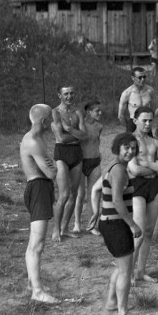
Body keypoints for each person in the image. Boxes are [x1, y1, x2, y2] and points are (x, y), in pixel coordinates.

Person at [98, 133, 142, 315]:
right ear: (118, 147)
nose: (130, 151)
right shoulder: (118, 170)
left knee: (121, 265)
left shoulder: (113, 166)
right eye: (126, 147)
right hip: (116, 225)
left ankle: (111, 302)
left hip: (109, 222)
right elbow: (116, 200)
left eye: (133, 148)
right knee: (126, 270)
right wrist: (132, 224)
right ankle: (123, 314)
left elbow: (101, 191)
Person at [19, 104, 59, 304]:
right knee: (37, 243)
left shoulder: (35, 139)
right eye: (50, 119)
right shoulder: (34, 142)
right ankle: (37, 291)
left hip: (40, 188)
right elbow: (51, 172)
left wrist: (51, 164)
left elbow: (48, 166)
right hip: (38, 189)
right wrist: (55, 164)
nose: (51, 123)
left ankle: (31, 283)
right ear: (43, 121)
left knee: (34, 243)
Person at [127, 106, 158, 284]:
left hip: (154, 186)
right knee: (138, 231)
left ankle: (140, 271)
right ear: (135, 120)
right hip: (136, 187)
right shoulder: (130, 141)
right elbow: (134, 169)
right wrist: (153, 165)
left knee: (149, 232)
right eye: (144, 120)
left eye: (150, 120)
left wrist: (148, 163)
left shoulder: (155, 143)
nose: (147, 123)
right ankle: (127, 273)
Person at [50, 85, 87, 243]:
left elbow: (84, 135)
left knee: (73, 194)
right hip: (62, 153)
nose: (69, 96)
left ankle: (65, 228)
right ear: (59, 95)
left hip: (76, 153)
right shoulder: (55, 112)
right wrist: (76, 134)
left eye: (72, 93)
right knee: (64, 194)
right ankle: (56, 229)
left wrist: (69, 129)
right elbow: (62, 138)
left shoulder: (78, 112)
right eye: (66, 94)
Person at [69, 100, 103, 235]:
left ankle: (92, 225)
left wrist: (98, 154)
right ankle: (77, 223)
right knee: (80, 195)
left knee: (94, 194)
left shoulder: (100, 126)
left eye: (100, 110)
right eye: (97, 111)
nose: (100, 113)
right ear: (89, 112)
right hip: (81, 162)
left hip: (95, 162)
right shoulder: (80, 125)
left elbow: (96, 142)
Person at [117, 67, 158, 134]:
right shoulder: (127, 93)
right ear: (133, 78)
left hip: (147, 123)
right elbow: (120, 116)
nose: (143, 79)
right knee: (131, 143)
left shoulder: (150, 90)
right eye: (140, 77)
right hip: (133, 123)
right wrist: (129, 126)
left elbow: (156, 110)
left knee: (150, 143)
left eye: (144, 77)